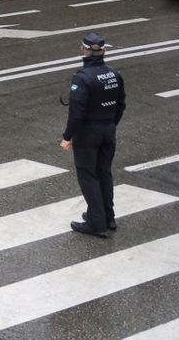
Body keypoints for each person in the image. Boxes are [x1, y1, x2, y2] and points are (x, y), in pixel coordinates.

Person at [61, 31, 125, 237]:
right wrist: (109, 125)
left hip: (88, 133)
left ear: (83, 50)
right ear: (104, 51)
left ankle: (96, 222)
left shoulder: (82, 78)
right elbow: (121, 106)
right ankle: (108, 217)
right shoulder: (115, 75)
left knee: (88, 175)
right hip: (108, 130)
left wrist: (67, 136)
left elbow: (76, 112)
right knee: (104, 172)